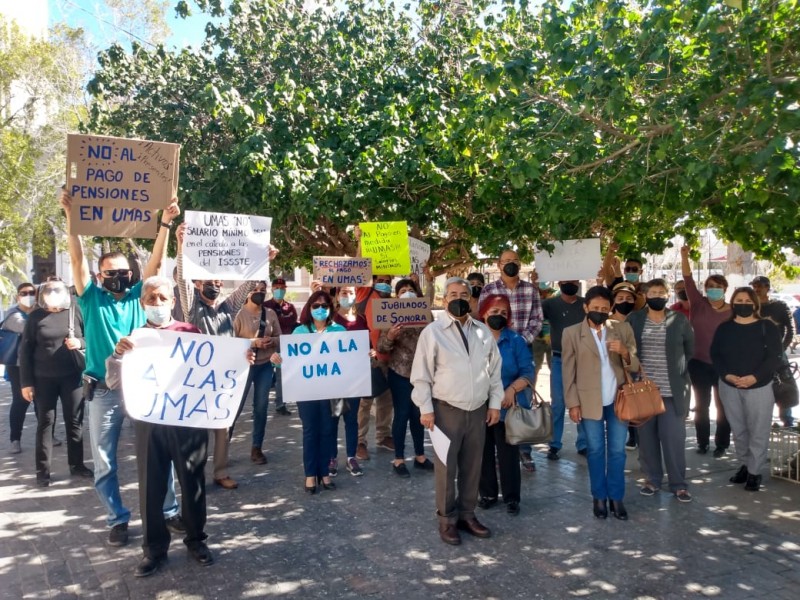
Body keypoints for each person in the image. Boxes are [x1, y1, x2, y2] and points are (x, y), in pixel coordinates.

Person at [60, 190, 181, 547]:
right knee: (104, 461)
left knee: (160, 453)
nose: (119, 277)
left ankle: (170, 511)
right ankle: (117, 519)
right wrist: (72, 219)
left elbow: (156, 264)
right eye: (110, 273)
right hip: (103, 391)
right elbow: (75, 256)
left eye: (123, 272)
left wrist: (164, 224)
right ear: (100, 275)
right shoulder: (91, 297)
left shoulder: (136, 297)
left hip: (143, 386)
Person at [105, 276, 237, 576]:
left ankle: (196, 540)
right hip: (150, 424)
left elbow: (217, 366)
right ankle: (154, 550)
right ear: (142, 303)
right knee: (151, 486)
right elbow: (113, 380)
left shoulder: (190, 332)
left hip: (188, 423)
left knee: (193, 484)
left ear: (173, 302)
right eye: (151, 298)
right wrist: (117, 355)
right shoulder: (133, 338)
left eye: (163, 298)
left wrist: (243, 357)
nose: (158, 303)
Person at [176, 223, 273, 490]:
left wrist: (263, 260)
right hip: (196, 378)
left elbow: (245, 288)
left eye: (219, 282)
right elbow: (182, 280)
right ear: (197, 284)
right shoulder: (191, 308)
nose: (216, 286)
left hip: (223, 378)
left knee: (222, 426)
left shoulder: (226, 309)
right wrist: (180, 246)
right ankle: (191, 473)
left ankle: (220, 471)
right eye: (210, 282)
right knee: (195, 428)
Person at [411, 277, 503, 546]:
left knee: (472, 467)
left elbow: (494, 371)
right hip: (445, 411)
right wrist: (426, 409)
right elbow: (421, 376)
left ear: (472, 298)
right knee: (446, 468)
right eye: (453, 294)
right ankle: (446, 519)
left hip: (477, 410)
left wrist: (494, 403)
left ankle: (467, 514)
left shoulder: (483, 332)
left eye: (464, 293)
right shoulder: (432, 332)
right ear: (443, 299)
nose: (459, 298)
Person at [562, 286, 640, 520]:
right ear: (585, 307)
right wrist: (572, 403)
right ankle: (598, 496)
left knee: (617, 451)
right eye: (595, 308)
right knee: (595, 450)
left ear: (611, 309)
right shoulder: (572, 333)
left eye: (604, 308)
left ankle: (616, 497)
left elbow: (635, 365)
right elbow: (568, 372)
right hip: (588, 402)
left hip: (618, 400)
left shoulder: (622, 328)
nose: (600, 312)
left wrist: (625, 352)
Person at [18, 280, 93, 486]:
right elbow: (25, 351)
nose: (52, 296)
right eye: (48, 292)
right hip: (43, 379)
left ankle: (77, 464)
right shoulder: (35, 317)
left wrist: (80, 343)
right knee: (45, 423)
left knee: (75, 421)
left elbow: (90, 338)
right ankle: (43, 471)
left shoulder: (75, 311)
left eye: (56, 291)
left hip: (72, 377)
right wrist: (26, 383)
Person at [627, 279, 695, 502]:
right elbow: (628, 350)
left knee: (673, 439)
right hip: (644, 391)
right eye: (653, 292)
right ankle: (652, 480)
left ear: (668, 296)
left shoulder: (679, 319)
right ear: (645, 295)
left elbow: (689, 350)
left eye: (662, 292)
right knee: (646, 440)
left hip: (673, 391)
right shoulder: (635, 319)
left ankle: (678, 484)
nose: (658, 295)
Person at [711, 287, 782, 492]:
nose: (743, 303)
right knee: (739, 429)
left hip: (759, 386)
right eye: (739, 300)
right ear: (733, 304)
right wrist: (727, 375)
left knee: (758, 430)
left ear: (755, 304)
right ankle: (744, 464)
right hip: (729, 386)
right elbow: (716, 355)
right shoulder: (724, 328)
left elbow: (774, 357)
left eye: (747, 300)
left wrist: (755, 377)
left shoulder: (766, 326)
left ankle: (755, 471)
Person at [271, 291, 343, 494]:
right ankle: (310, 474)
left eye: (324, 305)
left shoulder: (340, 330)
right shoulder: (300, 332)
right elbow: (288, 359)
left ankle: (325, 472)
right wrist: (278, 358)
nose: (320, 309)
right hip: (307, 392)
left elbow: (349, 357)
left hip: (333, 391)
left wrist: (366, 353)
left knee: (329, 431)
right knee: (311, 431)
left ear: (330, 308)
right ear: (309, 309)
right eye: (316, 305)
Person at [477, 294, 534, 516]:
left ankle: (512, 498)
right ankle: (488, 494)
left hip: (507, 407)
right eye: (494, 311)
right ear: (484, 313)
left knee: (508, 454)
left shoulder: (516, 340)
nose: (498, 316)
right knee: (483, 452)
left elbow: (528, 372)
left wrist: (512, 389)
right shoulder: (472, 339)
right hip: (479, 405)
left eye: (503, 312)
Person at [377, 279, 433, 478]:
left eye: (411, 290)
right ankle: (399, 459)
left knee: (420, 415)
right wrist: (391, 335)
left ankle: (420, 456)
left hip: (423, 375)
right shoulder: (390, 316)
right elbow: (381, 348)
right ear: (397, 295)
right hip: (399, 373)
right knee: (401, 415)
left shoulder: (426, 315)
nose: (407, 293)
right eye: (403, 291)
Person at [680, 246, 732, 457]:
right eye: (710, 286)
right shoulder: (698, 303)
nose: (713, 289)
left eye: (717, 286)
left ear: (725, 289)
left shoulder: (733, 310)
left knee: (723, 408)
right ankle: (702, 443)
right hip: (698, 363)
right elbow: (687, 279)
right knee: (701, 407)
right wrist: (684, 256)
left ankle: (722, 444)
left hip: (724, 366)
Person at [232, 282, 282, 465]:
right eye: (255, 290)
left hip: (265, 365)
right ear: (247, 292)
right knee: (234, 407)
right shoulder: (237, 314)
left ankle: (257, 447)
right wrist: (254, 343)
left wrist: (272, 341)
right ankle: (223, 446)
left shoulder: (270, 314)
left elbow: (280, 336)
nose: (259, 293)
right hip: (243, 366)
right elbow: (230, 341)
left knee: (261, 407)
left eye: (263, 290)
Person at [542, 280, 587, 461]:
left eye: (574, 280)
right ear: (559, 282)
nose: (571, 283)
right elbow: (534, 312)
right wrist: (536, 283)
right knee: (558, 403)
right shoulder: (549, 304)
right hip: (559, 359)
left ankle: (583, 444)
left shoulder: (586, 304)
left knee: (582, 401)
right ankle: (554, 444)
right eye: (567, 281)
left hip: (583, 360)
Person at [355, 272, 395, 461]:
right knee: (365, 402)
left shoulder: (395, 302)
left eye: (388, 282)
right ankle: (360, 441)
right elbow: (358, 270)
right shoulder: (367, 295)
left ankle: (383, 436)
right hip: (368, 358)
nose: (384, 284)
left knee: (386, 401)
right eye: (381, 281)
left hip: (390, 359)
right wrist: (361, 243)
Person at [330, 285, 368, 476]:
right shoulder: (330, 320)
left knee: (352, 420)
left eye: (351, 292)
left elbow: (367, 344)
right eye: (344, 292)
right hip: (335, 380)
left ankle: (351, 457)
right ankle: (332, 458)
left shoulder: (361, 319)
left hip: (355, 380)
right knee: (334, 419)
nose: (347, 295)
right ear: (337, 295)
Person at [750, 276, 795, 427]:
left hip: (777, 353)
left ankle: (787, 420)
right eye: (754, 286)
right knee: (761, 386)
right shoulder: (750, 307)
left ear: (767, 287)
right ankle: (762, 420)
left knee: (784, 385)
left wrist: (782, 348)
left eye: (760, 286)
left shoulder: (780, 306)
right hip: (756, 353)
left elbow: (791, 329)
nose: (756, 289)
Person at [478, 249, 543, 348]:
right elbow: (482, 319)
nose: (511, 264)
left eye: (515, 261)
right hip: (495, 347)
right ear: (499, 265)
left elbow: (537, 320)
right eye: (507, 261)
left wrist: (521, 342)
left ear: (519, 265)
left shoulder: (531, 290)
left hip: (524, 348)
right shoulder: (488, 290)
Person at [2, 282, 37, 454]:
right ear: (18, 296)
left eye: (32, 292)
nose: (29, 296)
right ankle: (15, 439)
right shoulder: (12, 315)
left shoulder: (38, 313)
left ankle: (48, 436)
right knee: (20, 400)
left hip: (38, 363)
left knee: (42, 400)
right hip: (17, 365)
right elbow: (28, 329)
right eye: (24, 293)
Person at [609, 281, 641, 450]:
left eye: (629, 298)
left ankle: (636, 437)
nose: (624, 301)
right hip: (614, 376)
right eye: (620, 298)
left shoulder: (639, 319)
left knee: (637, 406)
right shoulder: (606, 323)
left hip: (636, 369)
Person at [263, 277, 296, 415]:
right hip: (267, 345)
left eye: (282, 288)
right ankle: (258, 406)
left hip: (284, 345)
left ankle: (281, 404)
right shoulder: (265, 306)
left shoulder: (290, 307)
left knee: (282, 377)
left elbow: (293, 324)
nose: (279, 290)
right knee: (264, 376)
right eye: (276, 288)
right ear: (272, 289)